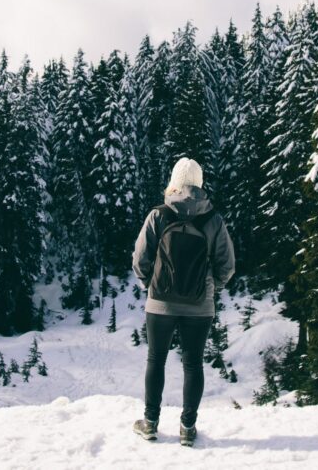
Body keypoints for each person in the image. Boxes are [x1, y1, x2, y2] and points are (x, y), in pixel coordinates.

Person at [131, 157, 236, 447]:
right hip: (199, 304)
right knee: (193, 365)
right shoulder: (213, 219)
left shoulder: (158, 214)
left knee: (156, 359)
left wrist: (149, 285)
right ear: (200, 184)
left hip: (160, 302)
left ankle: (150, 423)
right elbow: (226, 265)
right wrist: (211, 288)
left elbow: (140, 259)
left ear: (174, 183)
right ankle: (187, 428)